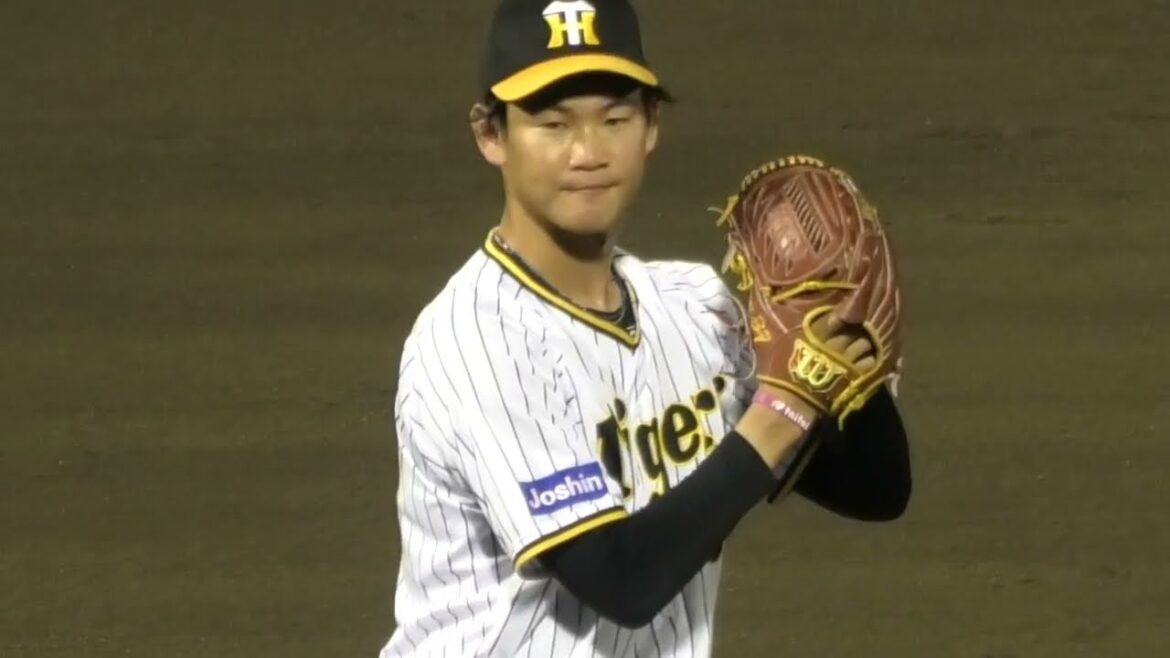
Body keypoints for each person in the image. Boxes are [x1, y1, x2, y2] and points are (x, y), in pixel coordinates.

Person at [380, 1, 912, 655]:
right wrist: (788, 405)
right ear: (492, 134)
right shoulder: (479, 342)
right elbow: (621, 578)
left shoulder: (698, 310)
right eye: (553, 124)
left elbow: (878, 489)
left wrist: (841, 336)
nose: (588, 152)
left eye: (615, 119)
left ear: (652, 125)